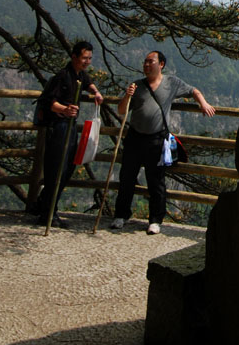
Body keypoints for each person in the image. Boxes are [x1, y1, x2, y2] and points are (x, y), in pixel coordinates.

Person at [111, 50, 215, 235]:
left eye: (150, 62)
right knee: (127, 177)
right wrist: (127, 95)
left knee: (156, 180)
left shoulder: (171, 83)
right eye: (145, 62)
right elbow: (121, 110)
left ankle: (155, 220)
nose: (146, 65)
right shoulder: (136, 85)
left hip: (156, 138)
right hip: (135, 137)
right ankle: (121, 215)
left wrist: (203, 103)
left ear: (161, 64)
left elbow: (193, 90)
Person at [36, 41, 104, 228]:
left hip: (70, 125)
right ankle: (48, 213)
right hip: (59, 125)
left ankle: (45, 205)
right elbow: (49, 102)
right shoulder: (62, 76)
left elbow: (89, 83)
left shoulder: (79, 75)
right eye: (84, 58)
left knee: (67, 168)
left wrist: (96, 92)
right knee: (57, 169)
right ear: (74, 57)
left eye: (89, 58)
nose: (87, 62)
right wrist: (65, 109)